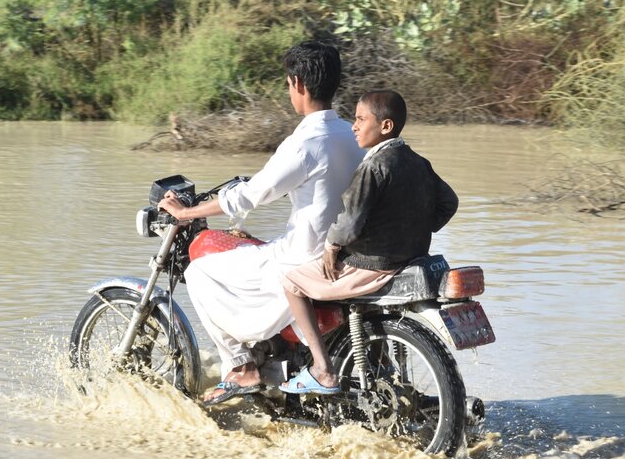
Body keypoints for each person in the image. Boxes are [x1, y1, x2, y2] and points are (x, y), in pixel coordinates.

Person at [158, 41, 362, 405]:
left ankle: (241, 366)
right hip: (347, 254)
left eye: (288, 85)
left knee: (200, 272)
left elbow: (249, 196)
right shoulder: (354, 134)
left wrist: (186, 212)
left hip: (301, 260)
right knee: (253, 249)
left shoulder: (304, 143)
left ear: (298, 84)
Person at [277, 89, 459, 395]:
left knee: (291, 282)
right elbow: (448, 202)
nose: (354, 126)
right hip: (411, 258)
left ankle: (322, 370)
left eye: (361, 119)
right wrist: (412, 227)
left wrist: (331, 247)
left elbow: (350, 220)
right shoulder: (417, 162)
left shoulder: (373, 167)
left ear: (385, 127)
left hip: (373, 265)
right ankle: (375, 360)